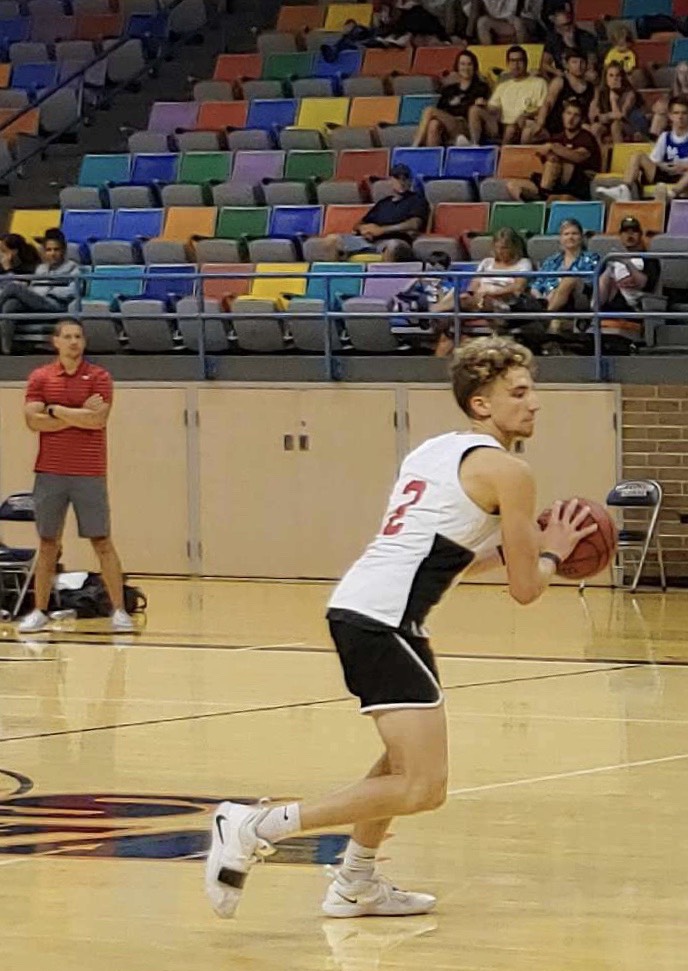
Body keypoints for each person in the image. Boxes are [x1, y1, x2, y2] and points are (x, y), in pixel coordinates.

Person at [201, 338, 598, 922]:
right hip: (380, 620)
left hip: (375, 613)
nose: (534, 402)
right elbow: (526, 590)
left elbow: (450, 557)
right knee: (423, 787)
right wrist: (555, 553)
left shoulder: (436, 451)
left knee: (398, 763)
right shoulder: (511, 472)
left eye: (532, 390)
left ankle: (355, 883)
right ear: (481, 404)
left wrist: (523, 550)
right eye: (519, 392)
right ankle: (255, 825)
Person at [18, 319, 135, 635]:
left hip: (89, 472)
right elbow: (33, 421)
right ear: (55, 341)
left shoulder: (99, 377)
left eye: (78, 337)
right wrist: (76, 413)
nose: (73, 342)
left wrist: (55, 410)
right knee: (48, 543)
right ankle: (40, 611)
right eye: (67, 336)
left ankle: (119, 611)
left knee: (102, 540)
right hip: (50, 472)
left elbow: (97, 420)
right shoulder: (41, 377)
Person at [432, 228, 534, 357]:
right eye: (498, 247)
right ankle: (437, 314)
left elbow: (517, 287)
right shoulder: (487, 263)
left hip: (505, 303)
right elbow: (473, 286)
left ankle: (432, 313)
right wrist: (476, 294)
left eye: (505, 248)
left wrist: (492, 293)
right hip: (479, 300)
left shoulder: (523, 263)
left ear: (514, 247)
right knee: (462, 298)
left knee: (475, 300)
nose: (500, 251)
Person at [0, 227, 81, 355]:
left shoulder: (73, 268)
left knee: (13, 287)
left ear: (63, 250)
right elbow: (34, 288)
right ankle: (6, 349)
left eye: (56, 250)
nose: (52, 253)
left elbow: (74, 290)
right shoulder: (41, 269)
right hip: (38, 302)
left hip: (55, 304)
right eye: (49, 250)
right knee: (12, 304)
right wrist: (32, 294)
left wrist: (51, 291)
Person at [627, 96, 688, 201]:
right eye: (676, 113)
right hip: (669, 174)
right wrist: (665, 166)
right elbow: (654, 161)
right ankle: (624, 191)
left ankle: (672, 194)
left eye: (684, 113)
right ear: (670, 116)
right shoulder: (665, 136)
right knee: (638, 156)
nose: (680, 117)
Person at [348, 164, 430, 260]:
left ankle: (383, 270)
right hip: (370, 241)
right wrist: (364, 230)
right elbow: (359, 224)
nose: (401, 182)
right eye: (397, 178)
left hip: (396, 240)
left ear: (410, 181)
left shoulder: (417, 200)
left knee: (393, 246)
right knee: (334, 241)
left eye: (405, 178)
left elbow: (414, 224)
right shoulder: (383, 203)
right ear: (391, 180)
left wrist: (381, 230)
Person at [472, 45, 550, 145]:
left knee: (511, 129)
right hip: (502, 125)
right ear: (508, 64)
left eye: (519, 61)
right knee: (474, 110)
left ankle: (502, 152)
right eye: (512, 61)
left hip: (524, 123)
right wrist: (485, 105)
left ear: (526, 62)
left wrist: (527, 115)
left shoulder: (539, 83)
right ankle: (474, 145)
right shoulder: (503, 85)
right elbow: (494, 108)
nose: (516, 65)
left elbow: (543, 108)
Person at [531, 216, 598, 327]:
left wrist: (559, 290)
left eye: (574, 233)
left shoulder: (592, 258)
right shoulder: (551, 261)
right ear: (561, 239)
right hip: (548, 299)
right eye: (566, 234)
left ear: (581, 237)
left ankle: (545, 319)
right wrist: (541, 298)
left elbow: (591, 283)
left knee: (569, 280)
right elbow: (536, 285)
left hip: (579, 298)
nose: (570, 237)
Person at [416, 49, 490, 147]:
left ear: (474, 67)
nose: (466, 68)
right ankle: (432, 154)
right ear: (457, 67)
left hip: (466, 125)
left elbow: (477, 109)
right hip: (448, 125)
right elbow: (440, 110)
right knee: (433, 124)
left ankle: (415, 146)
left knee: (429, 110)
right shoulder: (449, 90)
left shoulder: (481, 87)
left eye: (469, 64)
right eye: (462, 64)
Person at [531, 97, 602, 198]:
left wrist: (554, 148)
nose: (571, 119)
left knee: (566, 164)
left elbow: (578, 157)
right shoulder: (557, 137)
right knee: (514, 186)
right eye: (568, 113)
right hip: (558, 181)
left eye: (576, 115)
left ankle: (544, 195)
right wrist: (551, 155)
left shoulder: (586, 137)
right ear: (563, 115)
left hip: (583, 182)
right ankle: (544, 194)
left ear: (582, 119)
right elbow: (543, 154)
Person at [589, 58, 649, 147]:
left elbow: (620, 116)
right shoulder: (600, 92)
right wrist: (606, 116)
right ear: (606, 78)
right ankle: (600, 155)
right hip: (609, 124)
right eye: (611, 75)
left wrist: (613, 100)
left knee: (615, 126)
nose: (614, 79)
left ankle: (619, 154)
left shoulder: (629, 93)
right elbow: (594, 117)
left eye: (617, 75)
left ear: (622, 77)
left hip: (632, 125)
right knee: (595, 128)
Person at [541, 48, 597, 134]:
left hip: (580, 128)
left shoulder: (592, 88)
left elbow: (592, 112)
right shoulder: (559, 82)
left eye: (582, 62)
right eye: (574, 62)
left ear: (586, 65)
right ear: (567, 65)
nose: (579, 66)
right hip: (555, 128)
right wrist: (540, 123)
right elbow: (547, 104)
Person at [649, 61, 688, 135]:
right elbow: (657, 108)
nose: (684, 76)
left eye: (687, 73)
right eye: (681, 73)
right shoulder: (672, 92)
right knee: (659, 115)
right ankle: (653, 139)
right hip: (673, 122)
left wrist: (677, 114)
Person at [542, 2, 600, 72]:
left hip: (583, 73)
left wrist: (572, 45)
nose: (567, 28)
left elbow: (592, 64)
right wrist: (557, 72)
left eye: (568, 24)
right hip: (563, 74)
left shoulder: (586, 37)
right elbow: (544, 63)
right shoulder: (553, 39)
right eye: (562, 26)